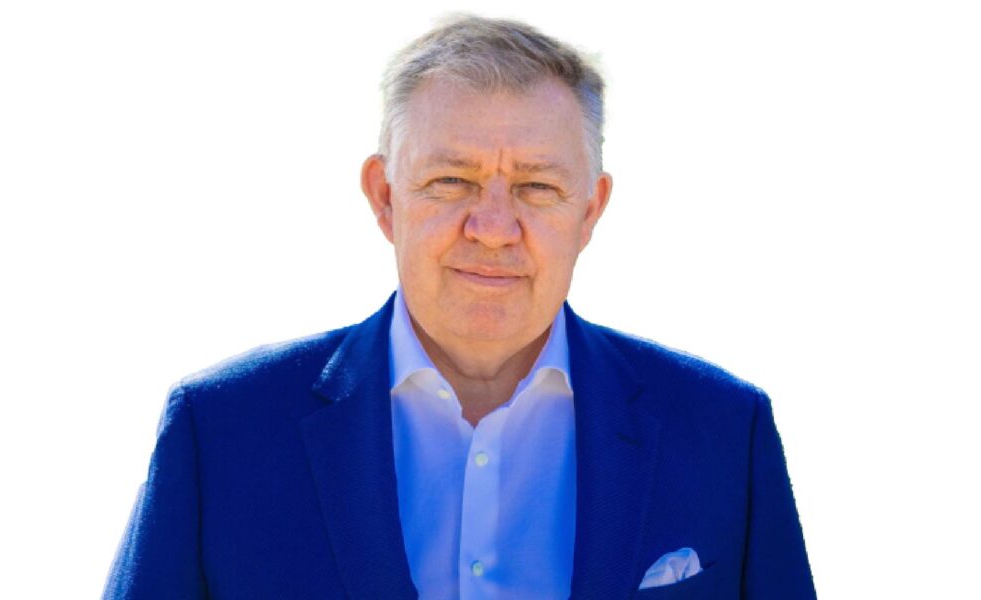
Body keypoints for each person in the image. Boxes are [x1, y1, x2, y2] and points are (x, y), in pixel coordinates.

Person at [103, 15, 816, 600]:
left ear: (590, 211)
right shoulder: (220, 432)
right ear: (385, 197)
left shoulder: (725, 433)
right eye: (452, 181)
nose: (493, 227)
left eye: (537, 187)